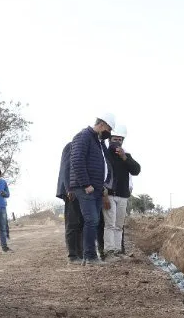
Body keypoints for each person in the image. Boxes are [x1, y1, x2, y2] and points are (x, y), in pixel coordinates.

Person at [68, 113, 116, 265]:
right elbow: (76, 160)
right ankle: (89, 257)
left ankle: (88, 256)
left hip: (96, 188)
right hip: (86, 188)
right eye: (108, 128)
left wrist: (103, 184)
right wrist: (86, 184)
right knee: (92, 220)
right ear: (101, 125)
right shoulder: (83, 136)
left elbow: (104, 163)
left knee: (93, 222)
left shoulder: (98, 142)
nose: (109, 132)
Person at [103, 124, 141, 256]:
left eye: (120, 139)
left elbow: (136, 170)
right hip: (109, 195)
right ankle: (109, 250)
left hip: (123, 195)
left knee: (119, 225)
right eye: (115, 139)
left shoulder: (126, 156)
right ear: (109, 139)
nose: (117, 142)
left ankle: (118, 250)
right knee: (110, 224)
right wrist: (104, 194)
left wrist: (124, 158)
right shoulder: (105, 155)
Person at [57, 140, 84, 263]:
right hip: (72, 190)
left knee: (81, 223)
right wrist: (69, 188)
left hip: (82, 190)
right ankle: (72, 255)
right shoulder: (72, 146)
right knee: (72, 223)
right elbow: (66, 167)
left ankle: (80, 253)